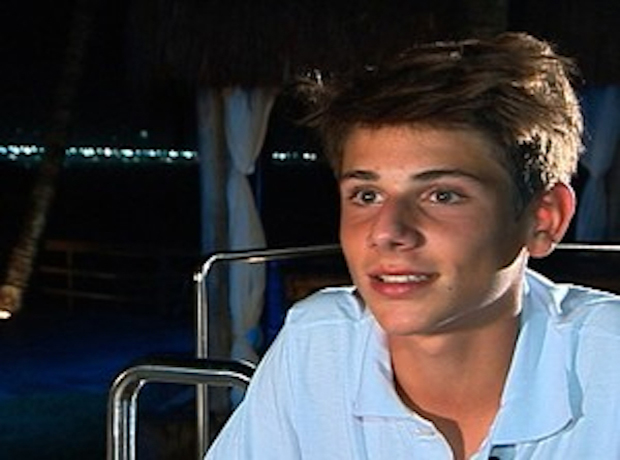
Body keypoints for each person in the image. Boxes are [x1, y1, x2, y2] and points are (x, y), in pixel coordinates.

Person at [205, 32, 620, 459]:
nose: (387, 231)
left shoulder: (609, 365)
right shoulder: (319, 348)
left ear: (544, 218)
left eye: (442, 195)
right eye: (367, 195)